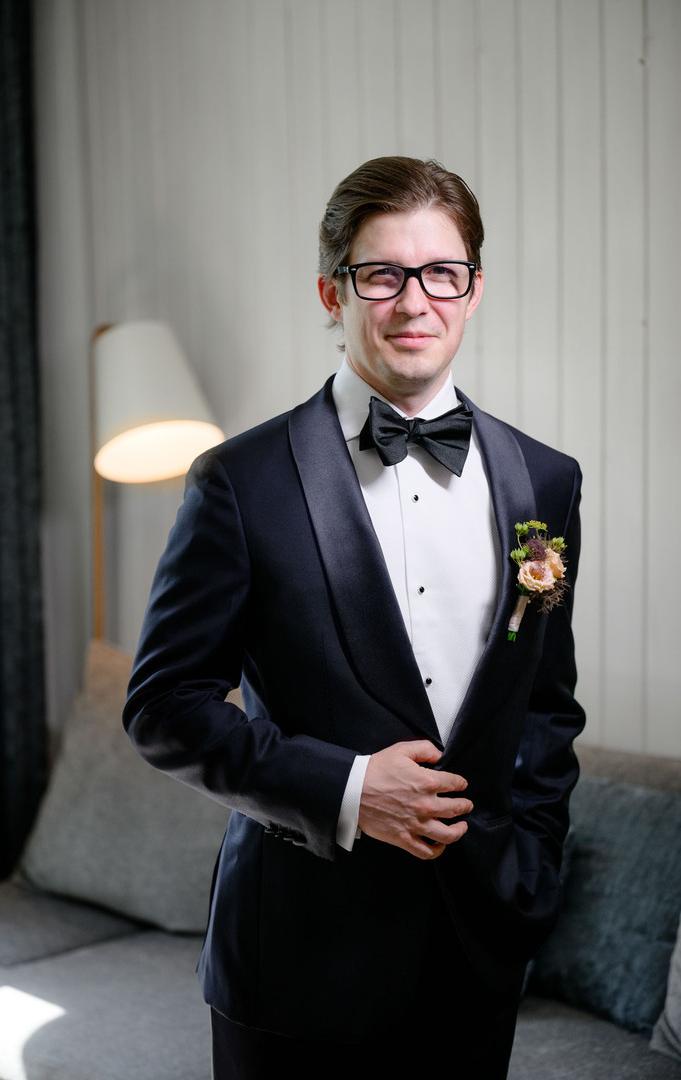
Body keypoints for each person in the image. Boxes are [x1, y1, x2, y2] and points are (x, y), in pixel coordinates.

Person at [123, 156, 584, 1079]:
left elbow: (545, 703)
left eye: (440, 273)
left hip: (475, 958)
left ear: (473, 289)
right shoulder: (238, 483)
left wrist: (529, 869)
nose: (415, 302)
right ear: (332, 293)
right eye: (383, 274)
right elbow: (163, 706)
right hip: (295, 967)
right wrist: (345, 790)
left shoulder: (546, 479)